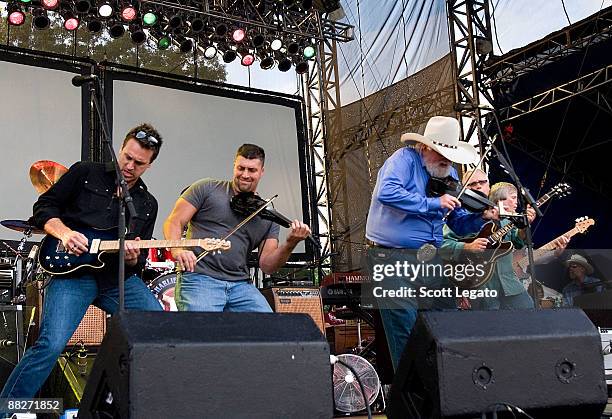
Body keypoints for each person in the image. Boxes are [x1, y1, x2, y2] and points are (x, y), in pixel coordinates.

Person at [0, 124, 164, 400]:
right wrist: (64, 233)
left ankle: (131, 401)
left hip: (115, 279)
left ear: (149, 165)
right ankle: (8, 407)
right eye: (127, 157)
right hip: (71, 274)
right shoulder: (86, 173)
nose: (130, 166)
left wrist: (133, 257)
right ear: (120, 149)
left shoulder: (147, 203)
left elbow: (139, 261)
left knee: (157, 329)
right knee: (51, 345)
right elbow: (43, 208)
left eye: (139, 163)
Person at [365, 116, 495, 370]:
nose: (445, 160)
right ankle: (410, 395)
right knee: (404, 327)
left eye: (449, 154)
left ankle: (443, 383)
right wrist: (434, 203)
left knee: (445, 320)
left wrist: (481, 216)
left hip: (431, 259)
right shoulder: (403, 159)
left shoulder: (451, 175)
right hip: (392, 257)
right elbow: (387, 192)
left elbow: (458, 223)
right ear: (424, 147)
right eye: (440, 152)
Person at [163, 143, 311, 312]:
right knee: (203, 331)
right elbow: (173, 222)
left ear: (262, 171)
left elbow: (267, 266)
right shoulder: (206, 188)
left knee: (270, 330)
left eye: (252, 170)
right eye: (241, 168)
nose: (245, 175)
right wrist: (178, 251)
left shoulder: (267, 216)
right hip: (200, 278)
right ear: (234, 166)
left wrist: (290, 243)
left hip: (241, 286)